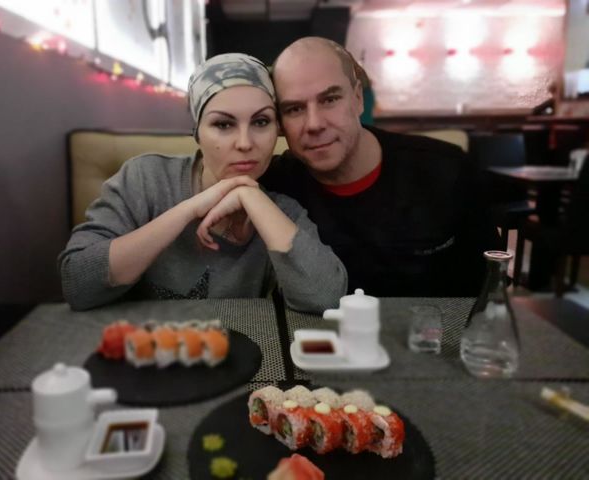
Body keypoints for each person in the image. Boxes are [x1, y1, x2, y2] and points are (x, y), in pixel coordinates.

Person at [58, 53, 347, 312]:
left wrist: (251, 197)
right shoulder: (145, 178)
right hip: (140, 346)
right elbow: (77, 284)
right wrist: (189, 209)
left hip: (236, 350)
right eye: (223, 124)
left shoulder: (281, 207)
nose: (245, 143)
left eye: (261, 122)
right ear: (197, 133)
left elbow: (326, 298)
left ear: (277, 131)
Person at [261, 37, 500, 297]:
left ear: (358, 98)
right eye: (294, 109)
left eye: (330, 99)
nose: (314, 124)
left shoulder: (446, 171)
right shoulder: (274, 184)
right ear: (280, 124)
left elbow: (490, 287)